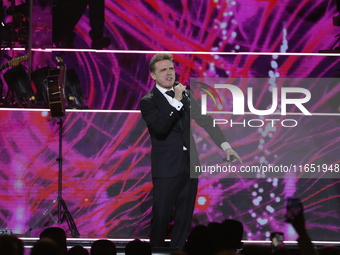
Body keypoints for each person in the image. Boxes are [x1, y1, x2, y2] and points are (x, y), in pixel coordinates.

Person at [139, 53, 242, 250]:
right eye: (163, 70)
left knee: (184, 217)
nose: (169, 73)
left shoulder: (185, 95)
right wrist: (176, 101)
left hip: (190, 164)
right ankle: (156, 252)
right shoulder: (148, 101)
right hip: (167, 167)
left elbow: (207, 120)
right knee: (161, 216)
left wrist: (226, 147)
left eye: (171, 68)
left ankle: (178, 252)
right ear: (153, 75)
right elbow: (160, 128)